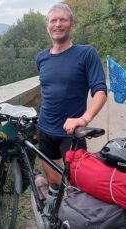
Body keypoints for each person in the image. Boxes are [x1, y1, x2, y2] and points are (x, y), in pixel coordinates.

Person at [35, 2, 107, 185]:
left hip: (71, 134)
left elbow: (100, 91)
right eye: (53, 20)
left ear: (71, 26)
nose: (58, 24)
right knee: (53, 179)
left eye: (63, 20)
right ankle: (53, 211)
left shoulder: (86, 54)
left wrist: (84, 119)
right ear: (47, 27)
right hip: (44, 129)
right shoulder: (41, 58)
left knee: (76, 186)